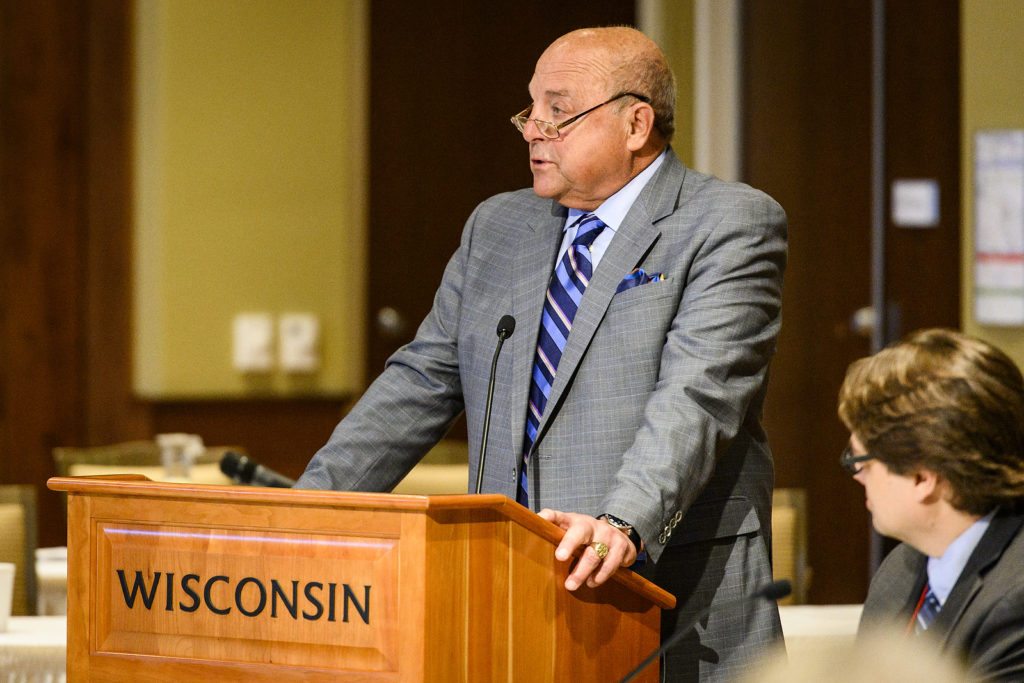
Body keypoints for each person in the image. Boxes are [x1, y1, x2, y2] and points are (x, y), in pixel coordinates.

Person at [297, 26, 787, 680]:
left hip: (671, 591)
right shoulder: (498, 227)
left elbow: (697, 398)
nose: (532, 130)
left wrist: (622, 521)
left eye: (558, 112)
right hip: (510, 594)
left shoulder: (727, 223)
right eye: (530, 110)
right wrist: (303, 512)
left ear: (636, 123)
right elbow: (416, 384)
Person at [838, 328, 1024, 680]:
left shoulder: (1015, 602)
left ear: (923, 478)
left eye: (860, 460)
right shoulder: (901, 568)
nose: (856, 474)